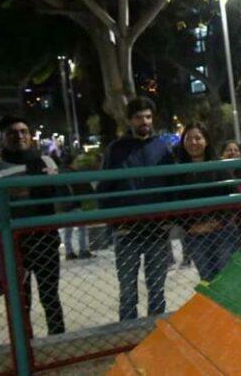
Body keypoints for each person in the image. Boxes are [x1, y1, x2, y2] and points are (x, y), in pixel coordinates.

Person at [0, 116, 66, 336]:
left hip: (45, 238)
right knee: (21, 300)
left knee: (51, 297)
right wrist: (32, 189)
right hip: (13, 243)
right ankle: (25, 348)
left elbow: (58, 195)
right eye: (12, 132)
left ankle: (58, 340)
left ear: (29, 135)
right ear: (1, 138)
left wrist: (12, 193)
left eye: (23, 131)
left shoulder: (46, 161)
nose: (19, 136)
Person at [97, 97, 174, 321]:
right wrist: (113, 224)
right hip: (127, 231)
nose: (144, 121)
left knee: (157, 290)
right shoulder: (116, 149)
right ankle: (127, 336)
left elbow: (172, 184)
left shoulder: (162, 147)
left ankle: (155, 335)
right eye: (139, 117)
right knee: (128, 292)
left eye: (148, 116)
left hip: (157, 229)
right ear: (130, 120)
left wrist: (168, 219)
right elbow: (104, 188)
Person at [173, 122, 239, 280]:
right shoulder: (177, 171)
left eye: (198, 138)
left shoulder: (219, 167)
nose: (193, 143)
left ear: (206, 141)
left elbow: (233, 197)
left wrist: (218, 222)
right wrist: (191, 227)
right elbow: (174, 202)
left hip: (223, 231)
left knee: (227, 277)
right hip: (195, 234)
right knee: (207, 278)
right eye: (188, 139)